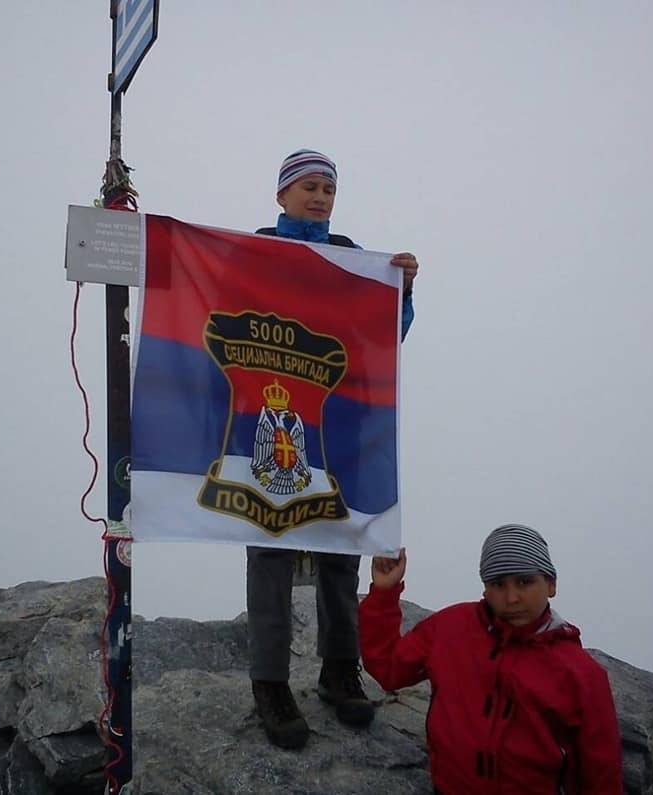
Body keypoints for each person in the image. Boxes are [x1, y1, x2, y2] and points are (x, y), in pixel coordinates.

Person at [247, 148, 420, 750]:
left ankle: (339, 672)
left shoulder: (355, 261)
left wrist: (400, 290)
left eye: (328, 188)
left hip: (338, 421)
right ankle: (269, 682)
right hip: (270, 419)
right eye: (309, 186)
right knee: (270, 546)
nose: (320, 197)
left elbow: (384, 337)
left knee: (341, 548)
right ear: (282, 196)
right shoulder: (251, 253)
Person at [359, 524, 624, 793]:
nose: (511, 598)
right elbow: (389, 669)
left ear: (551, 584)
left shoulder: (581, 673)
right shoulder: (450, 628)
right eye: (498, 584)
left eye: (525, 581)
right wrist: (384, 592)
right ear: (485, 589)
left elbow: (602, 776)